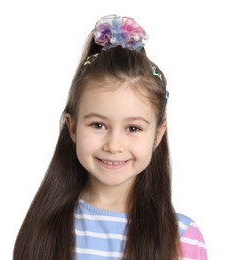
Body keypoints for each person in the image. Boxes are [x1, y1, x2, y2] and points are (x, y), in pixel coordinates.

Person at [13, 15, 207, 260]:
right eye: (98, 124)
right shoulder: (45, 229)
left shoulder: (181, 237)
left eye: (133, 128)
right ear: (72, 127)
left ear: (158, 134)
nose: (114, 145)